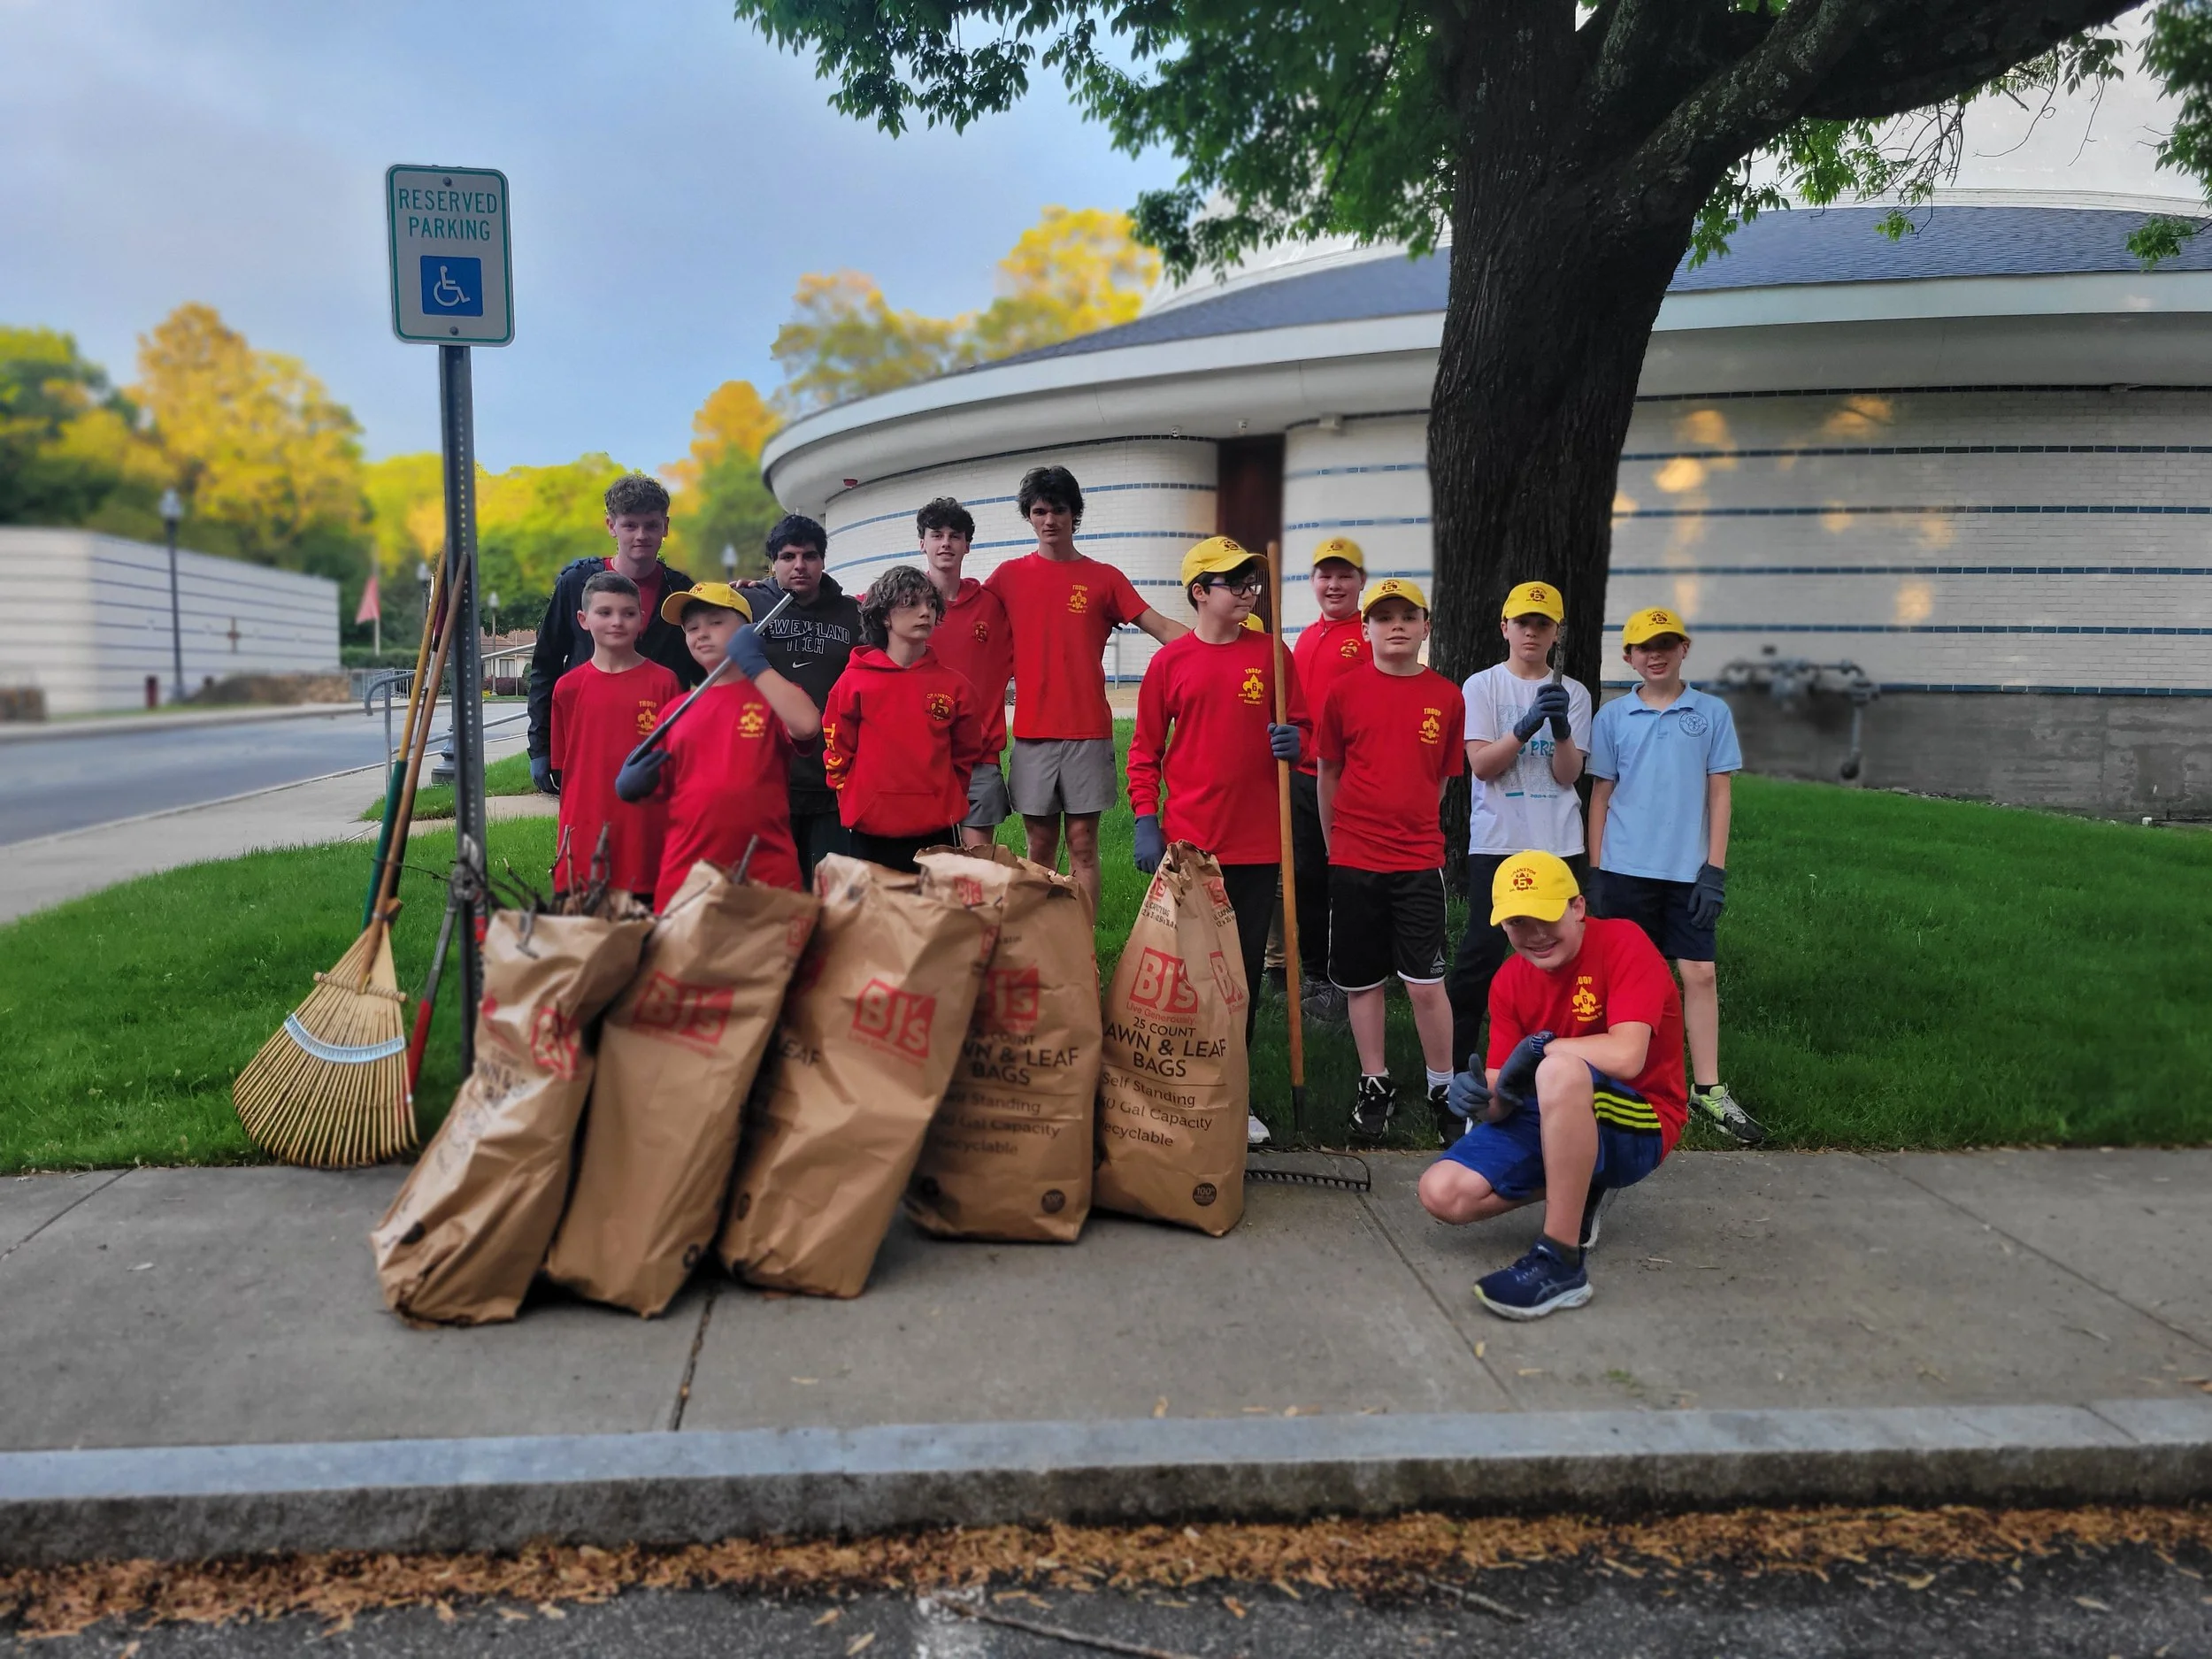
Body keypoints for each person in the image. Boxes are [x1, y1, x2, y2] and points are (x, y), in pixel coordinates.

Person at [1418, 851, 1686, 1321]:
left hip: (1640, 1116)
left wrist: (1545, 1050)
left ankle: (1561, 1263)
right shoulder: (1507, 981)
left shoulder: (1624, 942)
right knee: (1442, 1193)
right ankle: (1581, 1182)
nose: (1536, 934)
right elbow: (1507, 1095)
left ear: (1578, 907)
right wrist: (1483, 1096)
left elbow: (1628, 1056)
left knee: (1558, 1070)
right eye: (1519, 922)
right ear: (1502, 926)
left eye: (1546, 916)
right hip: (1552, 1106)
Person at [1125, 537, 1308, 1148]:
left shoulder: (1272, 654)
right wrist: (1146, 819)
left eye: (1251, 578)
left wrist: (1295, 744)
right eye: (1233, 580)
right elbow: (1145, 749)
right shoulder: (1172, 662)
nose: (1248, 588)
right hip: (1190, 846)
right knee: (1187, 975)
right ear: (1200, 591)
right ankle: (1178, 1089)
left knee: (1241, 978)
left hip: (1257, 846)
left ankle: (1234, 1095)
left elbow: (1303, 729)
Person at [1586, 605, 1763, 1145]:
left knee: (1699, 975)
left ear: (1684, 648)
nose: (1656, 654)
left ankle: (1707, 1087)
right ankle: (1610, 1072)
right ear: (1629, 657)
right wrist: (1594, 871)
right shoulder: (1614, 717)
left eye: (1666, 643)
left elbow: (1720, 792)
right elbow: (1600, 795)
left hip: (1687, 872)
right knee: (1623, 976)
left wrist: (1714, 870)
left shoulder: (1710, 713)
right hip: (1623, 868)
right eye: (1644, 646)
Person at [986, 465, 1187, 915]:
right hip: (1033, 733)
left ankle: (1081, 950)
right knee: (1038, 846)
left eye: (1059, 510)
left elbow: (1158, 626)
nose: (1049, 520)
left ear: (1075, 515)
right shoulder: (1007, 577)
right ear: (1029, 517)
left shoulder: (1104, 578)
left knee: (1083, 846)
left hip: (1088, 733)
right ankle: (1041, 943)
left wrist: (1216, 647)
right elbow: (963, 620)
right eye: (1039, 511)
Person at [1314, 578, 1466, 1146]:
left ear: (1426, 626)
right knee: (1362, 980)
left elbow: (1444, 777)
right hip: (1354, 858)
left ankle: (1443, 1085)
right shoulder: (1344, 692)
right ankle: (1374, 1081)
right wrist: (1335, 844)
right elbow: (1329, 771)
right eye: (1384, 616)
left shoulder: (1447, 697)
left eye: (1408, 615)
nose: (1396, 625)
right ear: (1367, 628)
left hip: (1417, 860)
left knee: (1426, 984)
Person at [1445, 580, 1593, 1078]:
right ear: (1504, 627)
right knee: (1480, 955)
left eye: (1542, 624)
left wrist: (1563, 731)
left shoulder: (1573, 692)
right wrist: (1526, 725)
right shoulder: (1482, 686)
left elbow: (1569, 775)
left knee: (1561, 952)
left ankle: (1558, 1063)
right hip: (1499, 842)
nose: (1532, 632)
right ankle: (1457, 1067)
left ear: (1556, 633)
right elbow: (1482, 765)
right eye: (1523, 622)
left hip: (1559, 841)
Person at [615, 581, 821, 902]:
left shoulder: (773, 695)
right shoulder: (676, 710)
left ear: (746, 631)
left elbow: (808, 725)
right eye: (691, 627)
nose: (701, 633)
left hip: (764, 878)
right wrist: (637, 787)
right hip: (687, 879)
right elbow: (668, 792)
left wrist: (756, 664)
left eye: (715, 622)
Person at [527, 473, 699, 795]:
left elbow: (705, 667)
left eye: (651, 524)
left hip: (659, 743)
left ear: (666, 526)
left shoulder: (681, 592)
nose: (641, 535)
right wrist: (540, 746)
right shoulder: (577, 584)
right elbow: (546, 665)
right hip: (589, 738)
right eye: (630, 525)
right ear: (611, 525)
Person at [823, 565, 987, 872]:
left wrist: (946, 796)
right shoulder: (853, 682)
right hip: (871, 828)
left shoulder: (956, 687)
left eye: (931, 603)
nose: (925, 612)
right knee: (876, 917)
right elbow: (837, 748)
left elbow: (965, 755)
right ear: (885, 616)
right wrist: (857, 798)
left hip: (937, 828)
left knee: (933, 917)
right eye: (911, 603)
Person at [737, 514, 864, 884]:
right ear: (772, 562)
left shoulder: (852, 615)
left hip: (831, 776)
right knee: (773, 890)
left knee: (832, 891)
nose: (799, 566)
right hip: (767, 777)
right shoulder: (747, 605)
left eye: (809, 556)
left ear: (823, 560)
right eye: (788, 557)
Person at [548, 572, 680, 902]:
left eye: (628, 613)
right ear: (583, 619)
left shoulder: (665, 683)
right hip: (584, 836)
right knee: (587, 945)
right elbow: (566, 769)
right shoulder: (568, 688)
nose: (617, 621)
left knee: (646, 945)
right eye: (604, 612)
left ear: (642, 619)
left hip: (645, 836)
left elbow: (676, 768)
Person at [1288, 536, 1371, 1026]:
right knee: (1309, 880)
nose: (1334, 584)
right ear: (1313, 581)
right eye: (1325, 575)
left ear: (1361, 581)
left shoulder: (1368, 635)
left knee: (1349, 881)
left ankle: (1351, 980)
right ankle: (1316, 975)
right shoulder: (1306, 636)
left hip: (1348, 779)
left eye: (1345, 575)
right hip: (1303, 776)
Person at [915, 497, 1015, 849]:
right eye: (936, 535)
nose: (945, 543)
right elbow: (844, 606)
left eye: (955, 536)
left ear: (967, 545)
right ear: (922, 543)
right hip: (920, 756)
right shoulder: (904, 603)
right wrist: (764, 593)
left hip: (979, 759)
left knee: (977, 869)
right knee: (927, 867)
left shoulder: (992, 605)